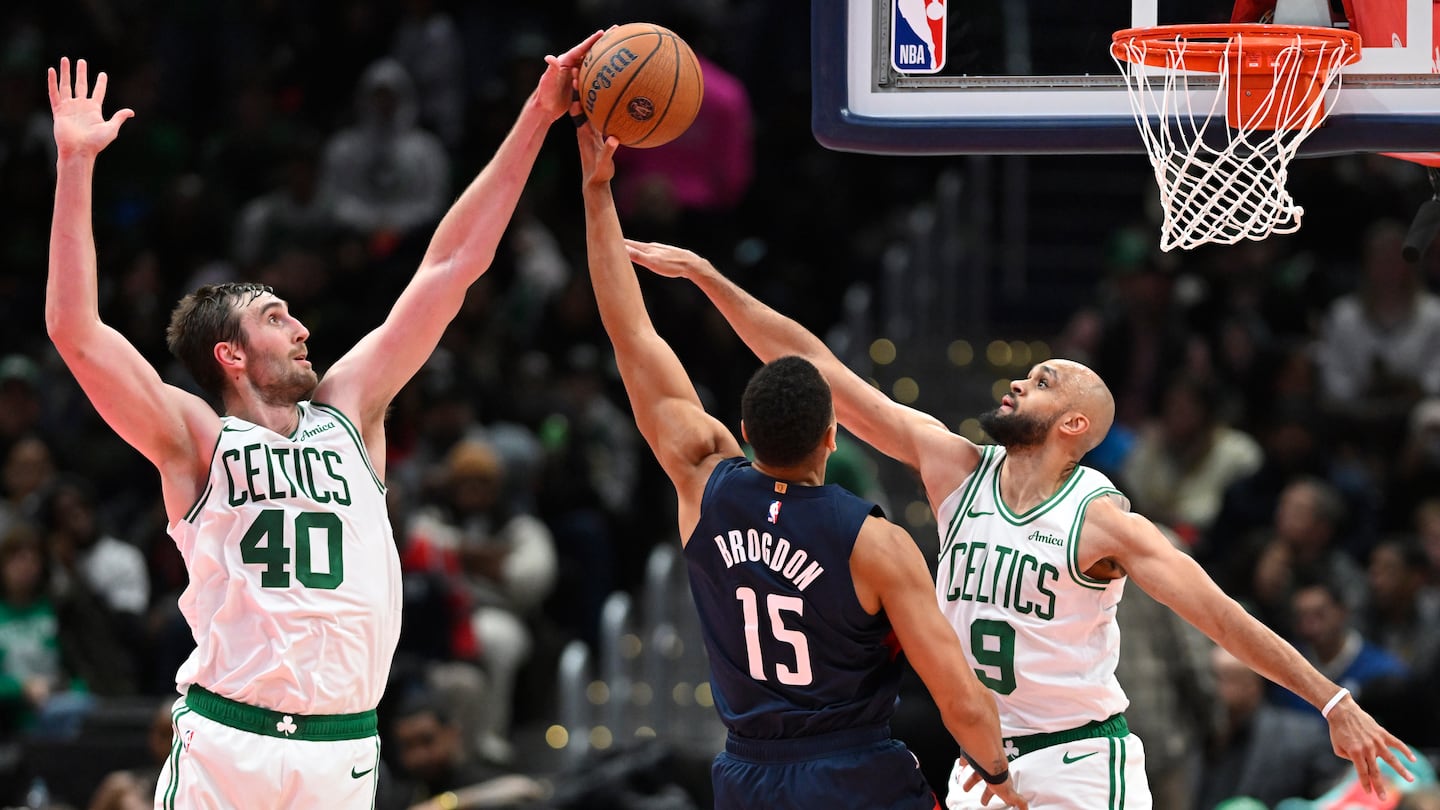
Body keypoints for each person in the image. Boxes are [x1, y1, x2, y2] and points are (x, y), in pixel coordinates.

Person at [624, 240, 1417, 808]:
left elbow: (1220, 616)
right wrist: (708, 278)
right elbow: (817, 370)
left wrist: (1329, 700)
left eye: (1039, 382)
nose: (1015, 382)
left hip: (1078, 765)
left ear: (1074, 424)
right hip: (984, 768)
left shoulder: (1102, 520)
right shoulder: (954, 469)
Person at [43, 37, 602, 808]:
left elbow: (450, 265)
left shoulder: (351, 407)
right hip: (229, 741)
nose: (302, 326)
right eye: (277, 317)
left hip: (343, 749)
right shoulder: (197, 438)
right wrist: (75, 165)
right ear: (231, 354)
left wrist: (538, 115)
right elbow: (76, 331)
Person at [575, 113, 1025, 809]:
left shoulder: (702, 478)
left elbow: (630, 334)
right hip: (854, 773)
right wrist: (998, 776)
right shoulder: (875, 541)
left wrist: (598, 191)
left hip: (748, 776)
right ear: (833, 438)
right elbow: (957, 696)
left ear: (746, 429)